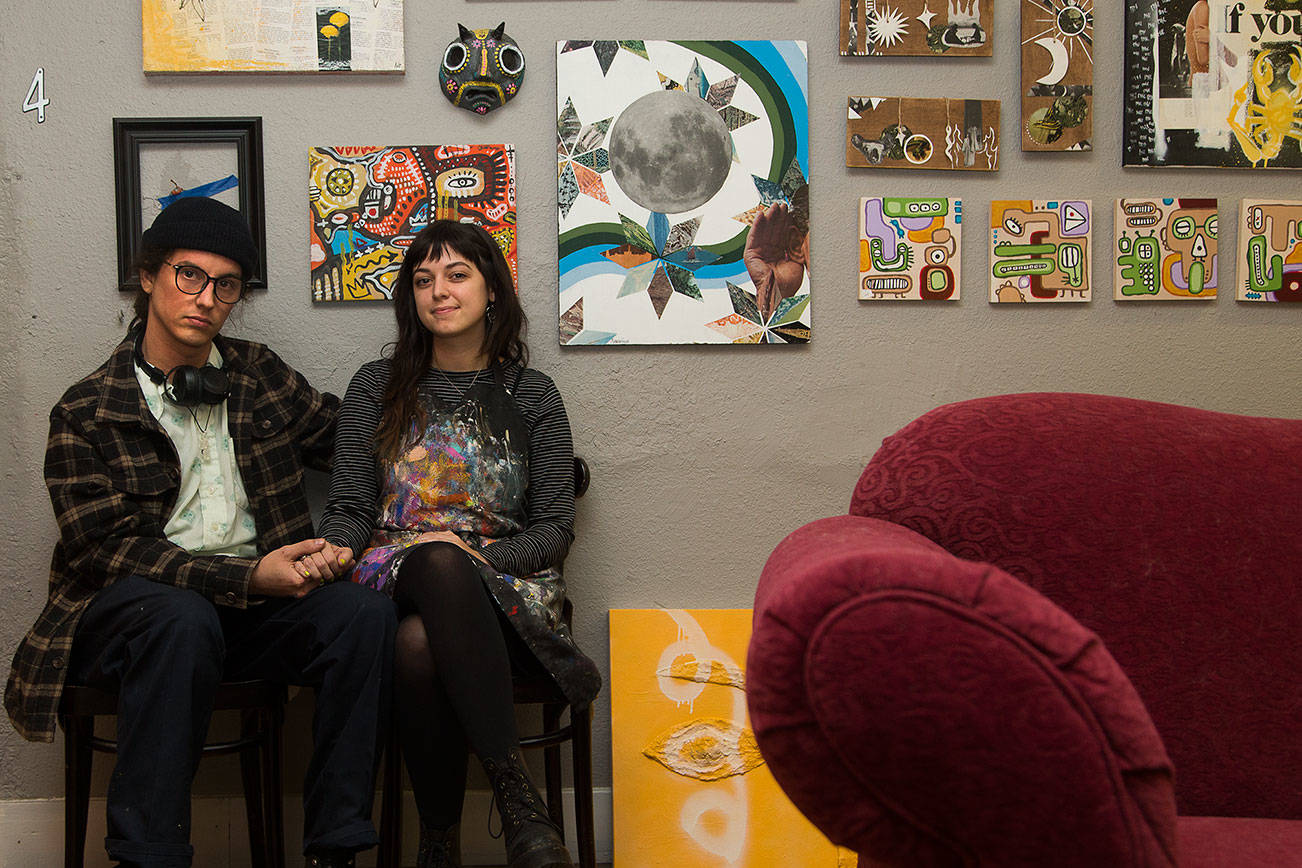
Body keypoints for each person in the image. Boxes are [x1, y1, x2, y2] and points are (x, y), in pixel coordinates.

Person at [3, 196, 396, 868]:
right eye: (189, 275)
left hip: (254, 613)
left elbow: (355, 443)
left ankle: (336, 851)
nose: (206, 298)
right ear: (149, 276)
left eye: (226, 285)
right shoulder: (86, 409)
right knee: (180, 617)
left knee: (363, 613)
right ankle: (149, 858)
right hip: (134, 618)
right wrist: (246, 574)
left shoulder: (259, 374)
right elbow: (104, 550)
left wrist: (515, 461)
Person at [318, 220, 600, 868]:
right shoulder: (375, 386)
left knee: (420, 642)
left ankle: (437, 841)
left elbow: (555, 527)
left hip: (507, 587)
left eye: (456, 274)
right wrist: (331, 551)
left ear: (492, 291)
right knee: (432, 561)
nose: (438, 291)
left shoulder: (532, 393)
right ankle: (519, 804)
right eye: (423, 279)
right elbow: (353, 509)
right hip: (393, 571)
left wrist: (484, 560)